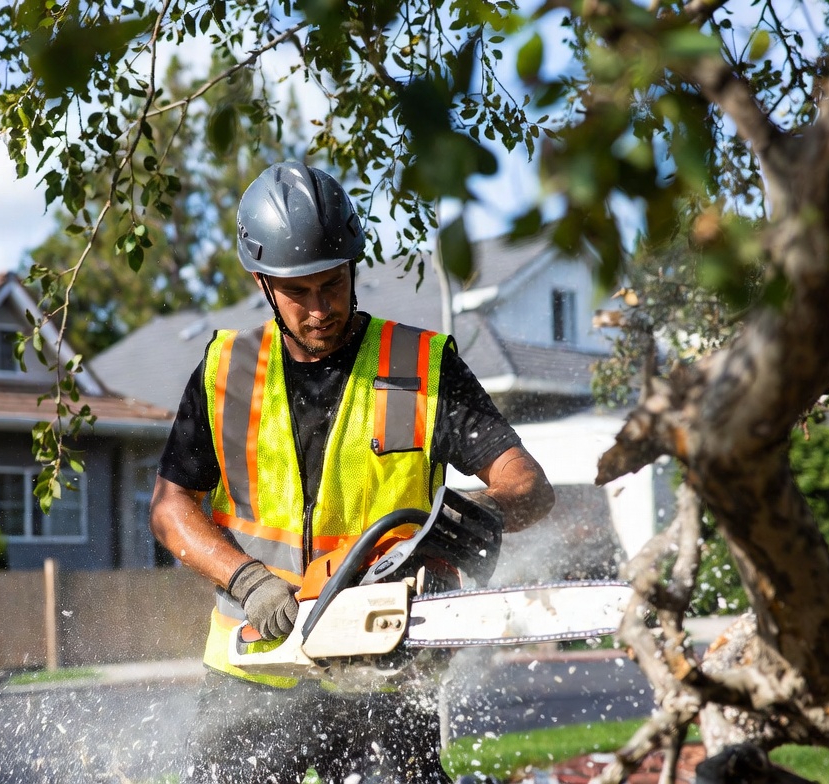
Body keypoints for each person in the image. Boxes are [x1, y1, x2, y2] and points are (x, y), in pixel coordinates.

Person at [149, 161, 555, 783]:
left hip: (385, 670)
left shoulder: (420, 366)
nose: (320, 309)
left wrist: (452, 530)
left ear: (352, 267)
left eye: (332, 284)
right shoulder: (226, 371)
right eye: (299, 291)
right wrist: (249, 581)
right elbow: (171, 509)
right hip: (254, 666)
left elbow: (528, 485)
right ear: (262, 282)